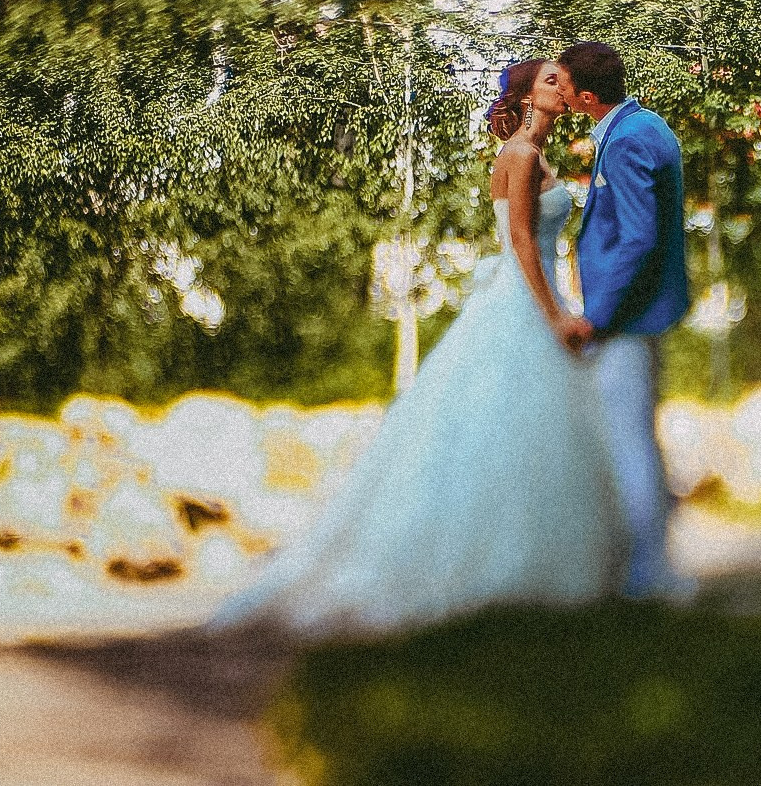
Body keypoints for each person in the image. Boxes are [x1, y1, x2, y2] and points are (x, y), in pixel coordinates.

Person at [210, 59, 626, 636]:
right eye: (550, 80)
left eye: (563, 79)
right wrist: (555, 313)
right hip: (526, 302)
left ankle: (523, 568)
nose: (563, 87)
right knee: (517, 425)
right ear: (527, 97)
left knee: (518, 431)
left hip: (524, 296)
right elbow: (523, 243)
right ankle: (496, 572)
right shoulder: (523, 157)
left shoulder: (533, 155)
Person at [556, 40, 694, 600]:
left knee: (629, 443)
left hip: (628, 319)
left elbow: (637, 237)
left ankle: (647, 575)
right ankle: (650, 566)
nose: (557, 91)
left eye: (562, 84)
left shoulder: (629, 142)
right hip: (641, 313)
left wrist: (598, 317)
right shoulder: (642, 125)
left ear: (587, 96)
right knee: (640, 439)